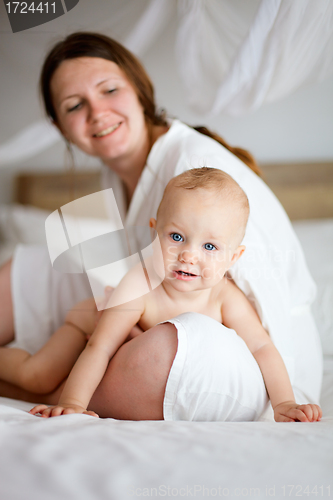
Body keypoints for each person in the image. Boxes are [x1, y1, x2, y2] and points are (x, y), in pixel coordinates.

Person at [0, 32, 323, 421]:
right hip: (157, 305)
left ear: (139, 90)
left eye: (109, 90)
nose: (97, 112)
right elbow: (117, 319)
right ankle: (46, 385)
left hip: (249, 363)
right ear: (59, 125)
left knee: (171, 343)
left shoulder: (196, 170)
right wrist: (133, 317)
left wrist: (285, 401)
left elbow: (264, 315)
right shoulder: (116, 176)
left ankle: (51, 390)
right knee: (44, 266)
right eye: (74, 105)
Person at [0, 168, 321, 422]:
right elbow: (100, 346)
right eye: (177, 237)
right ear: (155, 231)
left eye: (209, 246)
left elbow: (263, 347)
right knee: (38, 376)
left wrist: (284, 403)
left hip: (118, 356)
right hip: (89, 326)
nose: (189, 256)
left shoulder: (225, 297)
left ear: (233, 258)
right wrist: (73, 405)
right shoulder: (140, 282)